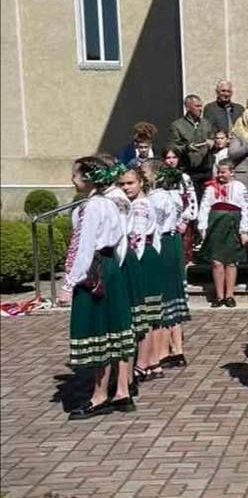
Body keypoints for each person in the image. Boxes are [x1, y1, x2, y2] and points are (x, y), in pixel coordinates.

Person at [59, 157, 137, 419]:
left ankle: (100, 395)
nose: (72, 179)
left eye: (75, 174)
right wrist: (114, 268)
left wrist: (69, 283)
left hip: (95, 270)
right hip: (110, 266)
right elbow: (121, 241)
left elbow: (83, 246)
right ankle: (122, 391)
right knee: (114, 327)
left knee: (99, 329)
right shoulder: (110, 203)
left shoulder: (92, 206)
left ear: (88, 178)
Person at [117, 165, 167, 383]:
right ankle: (153, 361)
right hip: (149, 255)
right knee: (151, 314)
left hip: (141, 258)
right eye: (122, 184)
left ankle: (143, 363)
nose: (126, 187)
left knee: (144, 314)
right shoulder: (143, 203)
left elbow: (136, 238)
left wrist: (130, 266)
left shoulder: (139, 205)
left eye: (130, 183)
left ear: (141, 183)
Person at [146, 161, 191, 368]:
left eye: (144, 173)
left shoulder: (154, 198)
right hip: (171, 242)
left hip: (162, 242)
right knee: (172, 293)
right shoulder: (172, 195)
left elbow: (153, 226)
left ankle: (163, 351)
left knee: (163, 296)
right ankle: (177, 349)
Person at [197, 159, 248, 307]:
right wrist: (203, 227)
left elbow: (246, 209)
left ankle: (229, 295)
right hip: (216, 225)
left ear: (232, 172)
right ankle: (219, 295)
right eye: (219, 172)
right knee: (216, 262)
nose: (221, 175)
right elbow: (204, 207)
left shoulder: (239, 187)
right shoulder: (211, 188)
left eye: (224, 172)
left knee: (231, 262)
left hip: (232, 225)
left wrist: (244, 230)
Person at [168, 94, 215, 197]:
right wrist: (186, 147)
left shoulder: (206, 124)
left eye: (201, 106)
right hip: (188, 169)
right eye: (197, 106)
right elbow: (174, 147)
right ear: (188, 107)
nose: (201, 109)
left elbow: (213, 138)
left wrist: (212, 142)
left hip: (205, 169)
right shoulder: (177, 125)